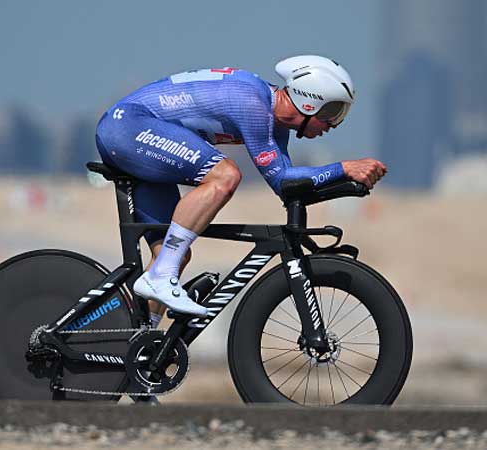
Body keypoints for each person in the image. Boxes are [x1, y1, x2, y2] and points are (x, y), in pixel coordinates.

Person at [95, 55, 387, 323]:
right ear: (309, 101)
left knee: (174, 255)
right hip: (128, 128)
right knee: (225, 175)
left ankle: (142, 344)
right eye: (333, 112)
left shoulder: (274, 122)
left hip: (136, 134)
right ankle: (160, 277)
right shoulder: (253, 103)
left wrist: (345, 183)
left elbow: (285, 185)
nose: (334, 124)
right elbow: (283, 179)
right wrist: (344, 168)